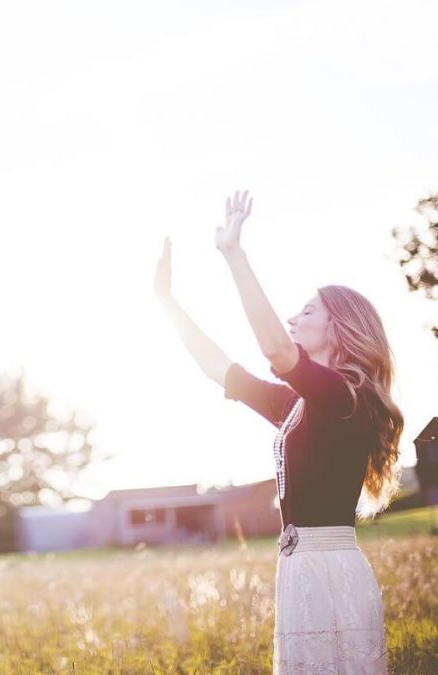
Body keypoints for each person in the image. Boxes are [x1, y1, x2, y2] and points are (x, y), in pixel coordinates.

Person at [153, 190, 401, 674]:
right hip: (299, 570)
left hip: (332, 573)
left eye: (307, 311)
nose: (292, 319)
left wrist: (234, 254)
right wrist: (166, 301)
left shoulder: (346, 398)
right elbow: (217, 368)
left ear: (340, 327)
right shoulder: (300, 403)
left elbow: (275, 350)